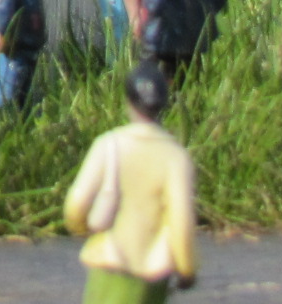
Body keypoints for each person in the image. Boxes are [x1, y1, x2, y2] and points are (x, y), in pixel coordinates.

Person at [63, 62, 198, 304]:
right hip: (152, 272)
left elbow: (76, 205)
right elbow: (181, 221)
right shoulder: (176, 157)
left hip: (108, 260)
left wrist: (83, 229)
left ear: (128, 102)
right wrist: (186, 269)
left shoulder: (108, 144)